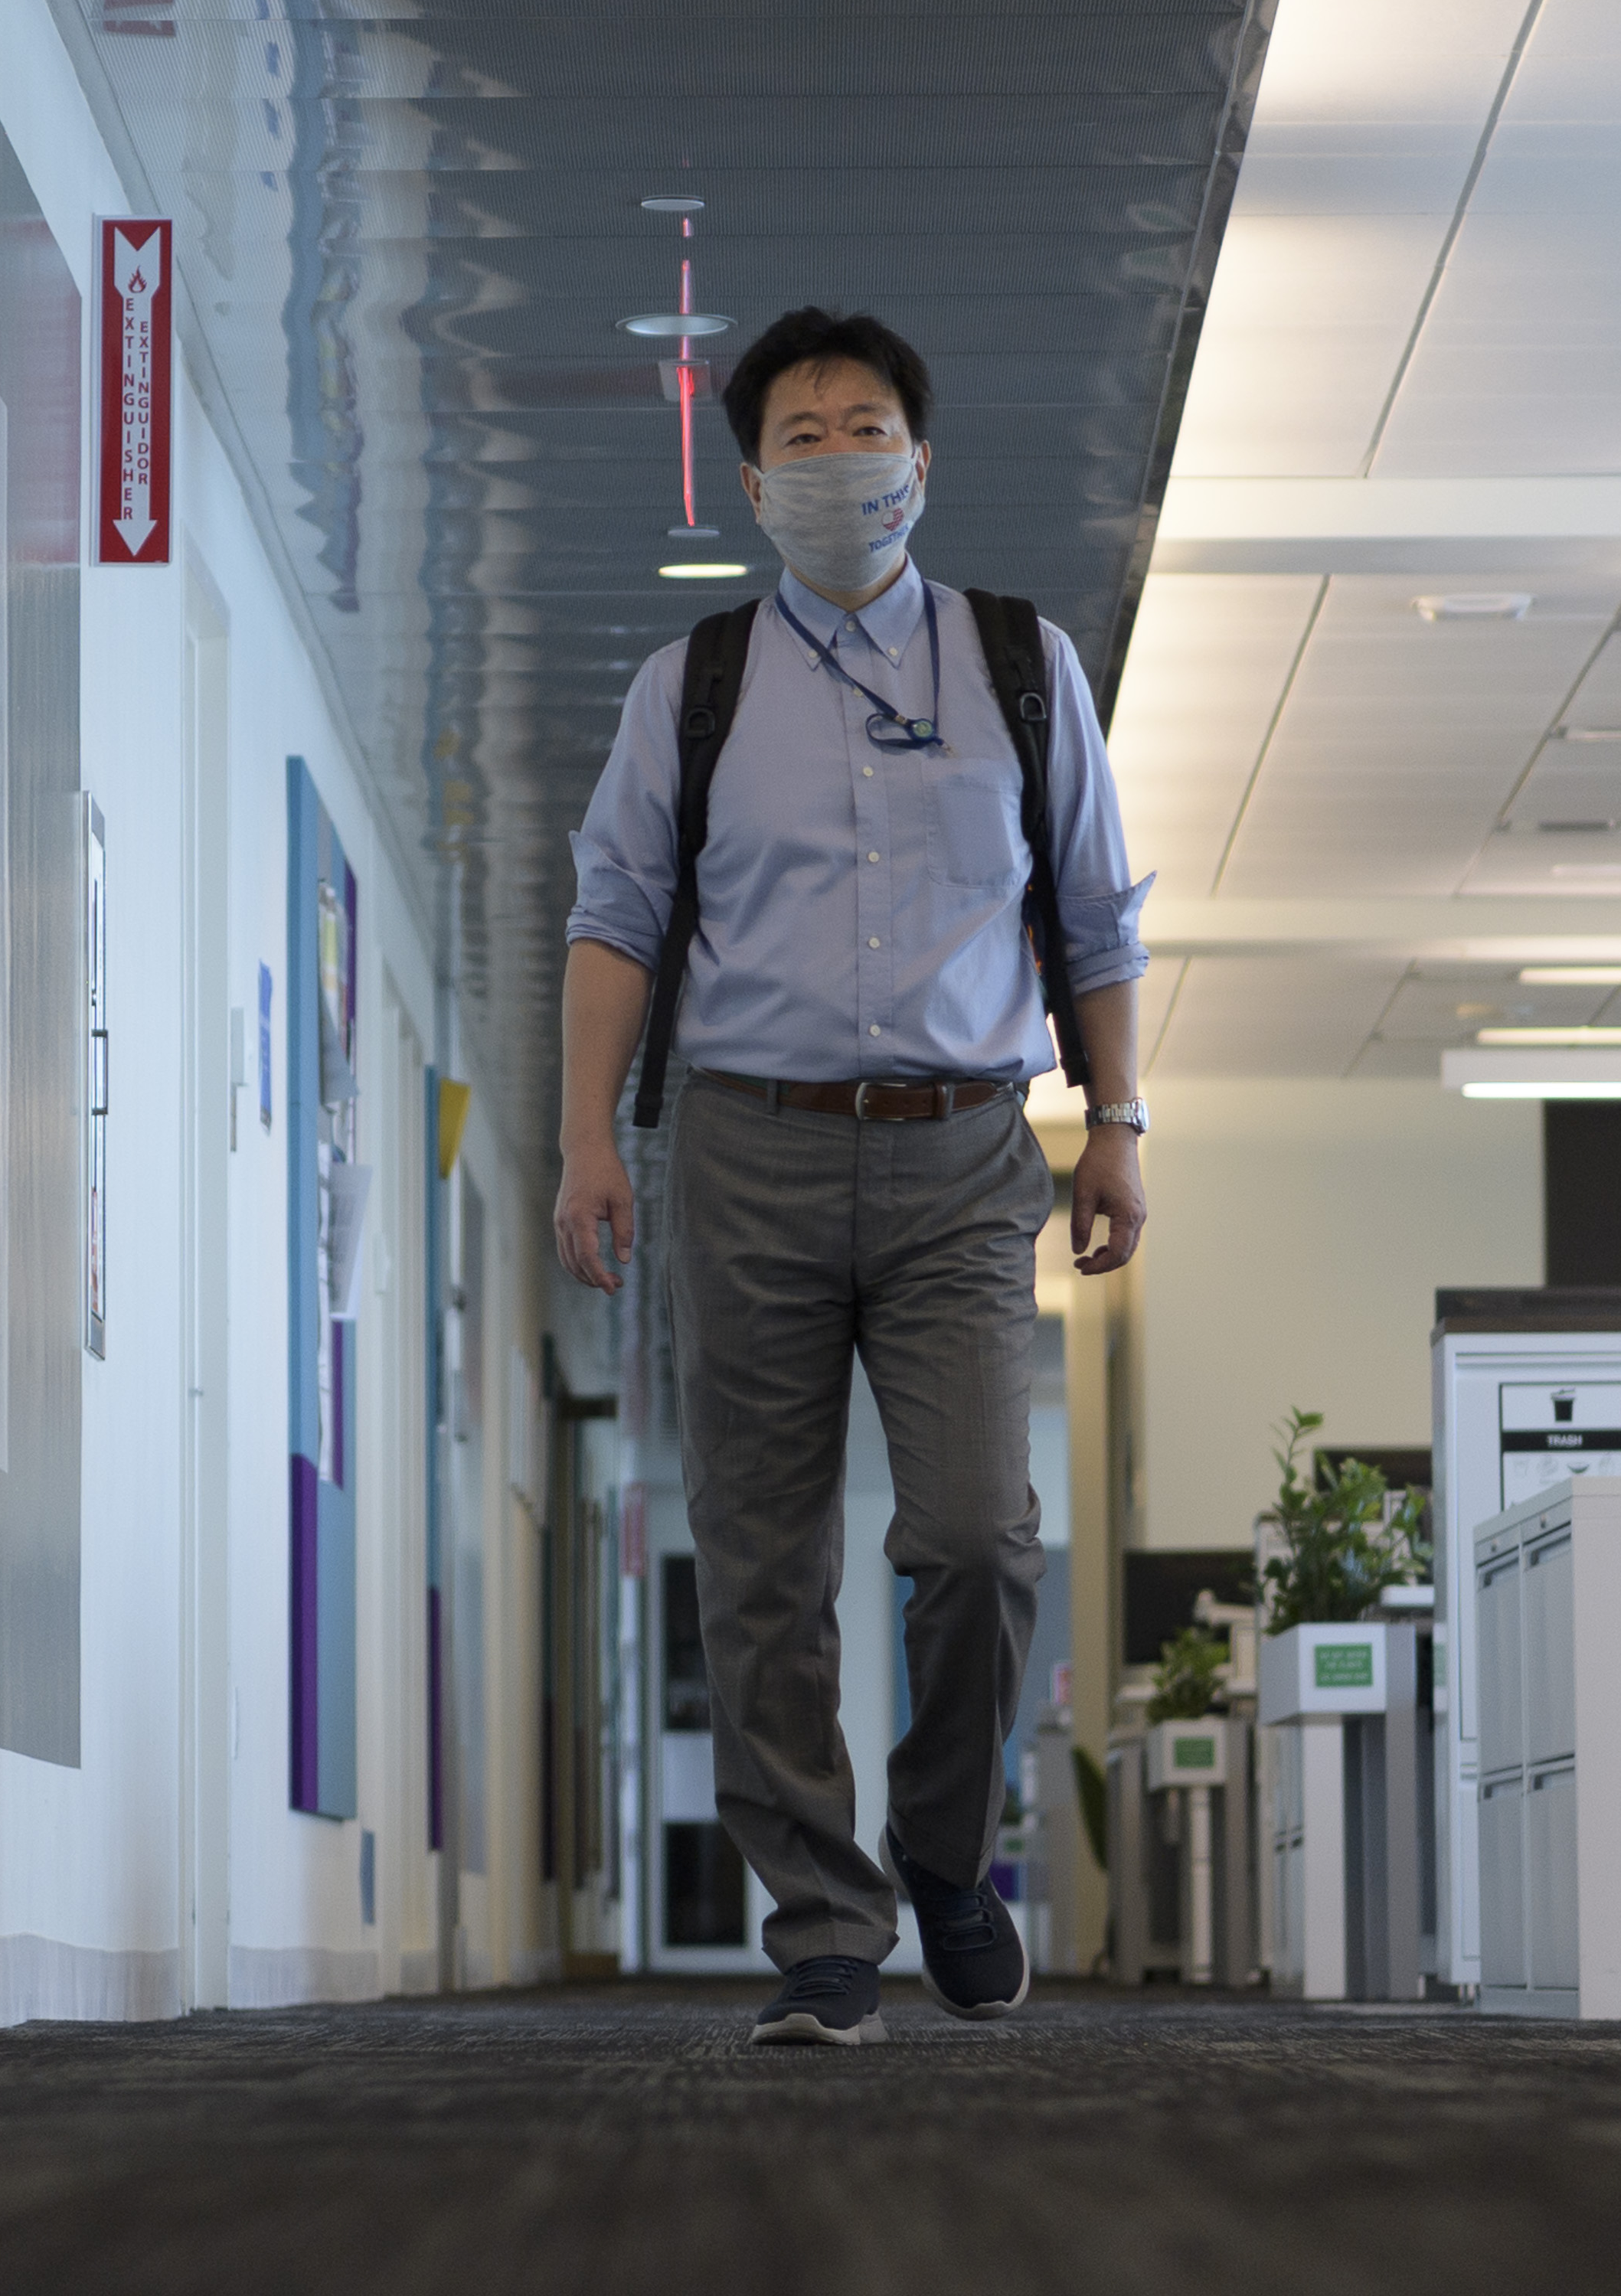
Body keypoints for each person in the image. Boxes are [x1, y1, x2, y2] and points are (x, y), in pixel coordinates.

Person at [554, 306, 1152, 2046]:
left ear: (922, 458)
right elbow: (613, 918)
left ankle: (946, 1856)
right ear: (752, 482)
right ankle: (826, 1927)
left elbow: (1101, 920)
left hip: (967, 1148)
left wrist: (1119, 1124)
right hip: (746, 1147)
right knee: (761, 1558)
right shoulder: (697, 686)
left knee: (977, 1534)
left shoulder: (1027, 667)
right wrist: (587, 1137)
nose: (838, 455)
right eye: (800, 435)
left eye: (865, 423)